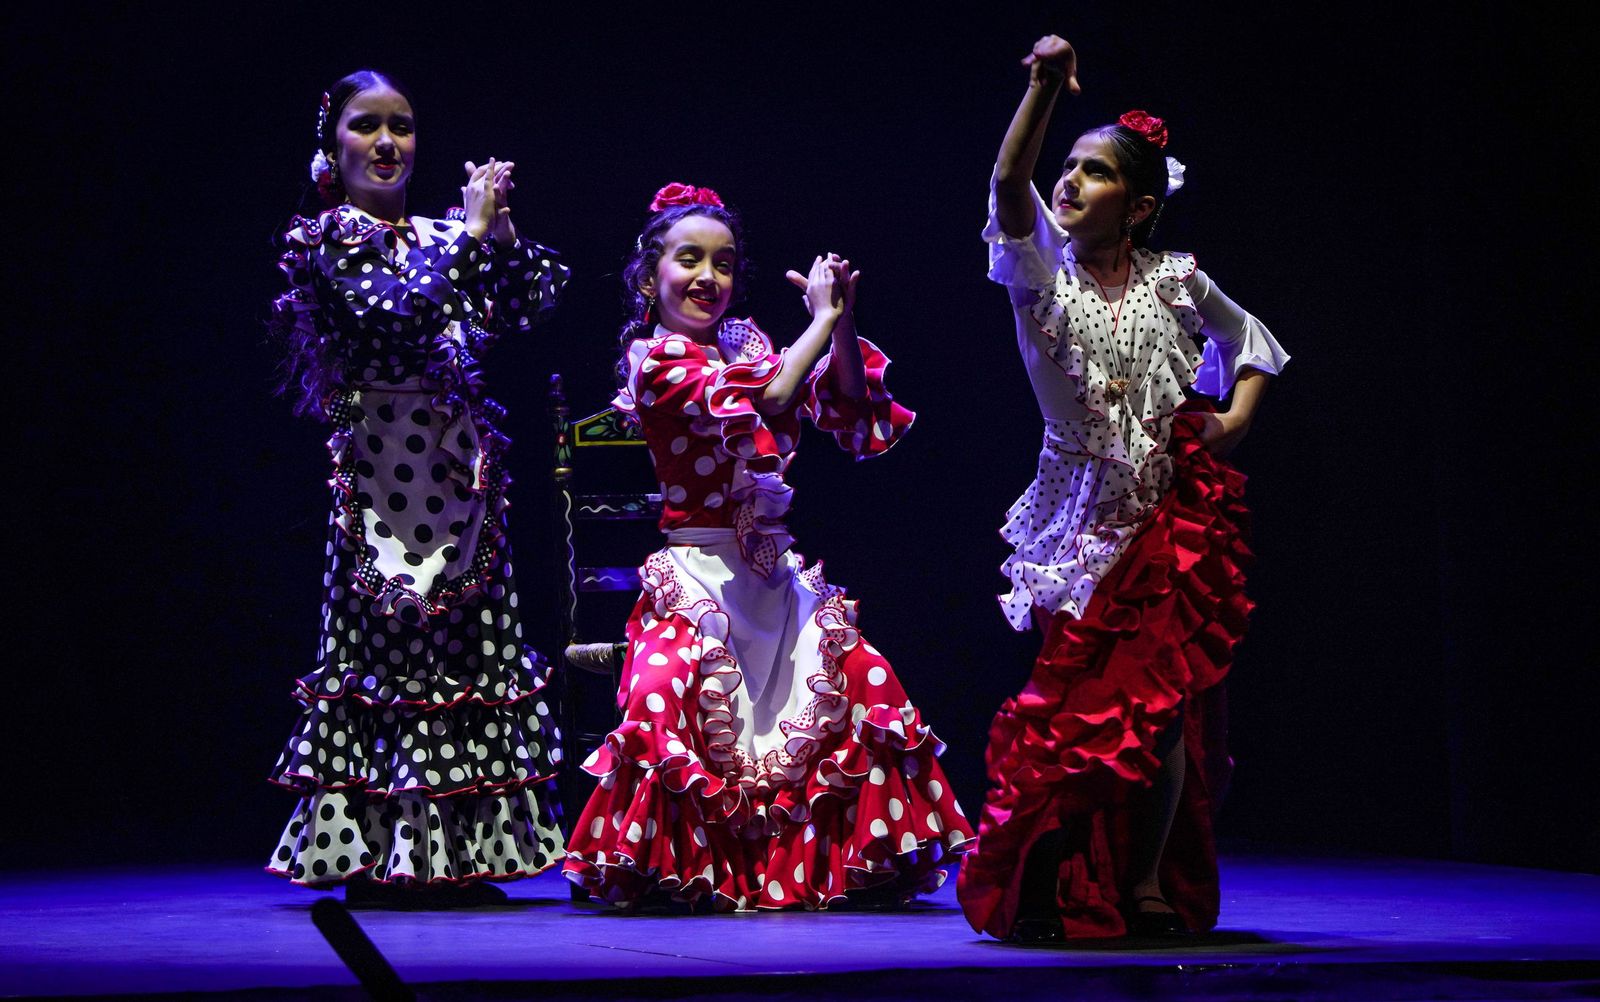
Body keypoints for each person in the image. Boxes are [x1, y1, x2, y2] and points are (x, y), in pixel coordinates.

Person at [955, 36, 1290, 942]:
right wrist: (1042, 87)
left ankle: (1144, 881)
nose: (1068, 181)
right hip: (1078, 518)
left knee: (1162, 703)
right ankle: (1053, 868)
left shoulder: (1176, 279)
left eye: (1094, 172)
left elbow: (1254, 343)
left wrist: (1234, 420)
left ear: (1138, 207)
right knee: (1079, 702)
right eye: (1068, 166)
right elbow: (1007, 182)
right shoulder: (1038, 272)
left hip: (1167, 512)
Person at [561, 183, 974, 911]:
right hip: (696, 577)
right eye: (689, 259)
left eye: (723, 264)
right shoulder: (655, 360)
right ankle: (675, 864)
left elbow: (847, 408)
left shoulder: (743, 346)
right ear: (649, 277)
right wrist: (819, 320)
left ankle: (834, 862)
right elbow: (774, 395)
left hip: (772, 578)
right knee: (662, 693)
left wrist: (840, 324)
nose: (708, 277)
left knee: (865, 678)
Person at [265, 69, 569, 906]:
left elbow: (531, 300)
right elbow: (395, 315)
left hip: (457, 474)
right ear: (332, 145)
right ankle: (381, 854)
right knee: (387, 656)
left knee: (467, 657)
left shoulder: (441, 235)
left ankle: (462, 857)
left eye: (401, 125)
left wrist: (499, 231)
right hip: (379, 469)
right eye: (367, 124)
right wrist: (469, 238)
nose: (388, 141)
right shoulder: (324, 240)